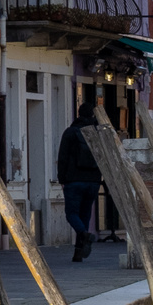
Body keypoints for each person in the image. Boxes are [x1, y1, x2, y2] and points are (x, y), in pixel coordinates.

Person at [56, 102, 103, 261]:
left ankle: (84, 235)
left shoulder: (71, 133)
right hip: (93, 181)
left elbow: (62, 157)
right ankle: (78, 254)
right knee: (84, 215)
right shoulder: (98, 134)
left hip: (74, 180)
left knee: (71, 214)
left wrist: (62, 178)